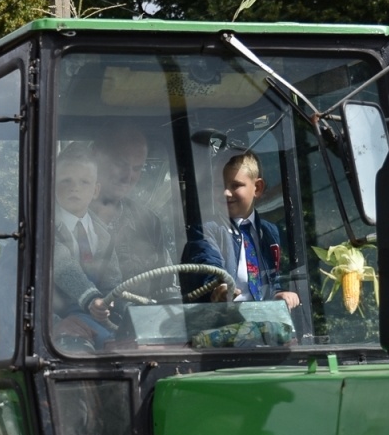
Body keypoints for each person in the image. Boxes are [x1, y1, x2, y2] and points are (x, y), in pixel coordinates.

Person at [186, 152, 299, 309]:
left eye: (235, 185)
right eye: (219, 186)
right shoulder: (206, 230)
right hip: (226, 318)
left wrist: (279, 294)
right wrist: (219, 287)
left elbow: (274, 278)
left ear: (257, 188)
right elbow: (208, 262)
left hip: (265, 319)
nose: (226, 193)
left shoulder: (270, 232)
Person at [90, 124, 176, 285]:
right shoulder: (66, 215)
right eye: (120, 164)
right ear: (95, 156)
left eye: (137, 168)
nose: (128, 177)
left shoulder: (149, 222)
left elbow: (166, 286)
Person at [52, 142, 120, 338]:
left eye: (84, 182)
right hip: (58, 322)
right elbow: (63, 266)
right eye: (66, 181)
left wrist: (113, 298)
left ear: (96, 190)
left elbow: (113, 277)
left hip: (97, 314)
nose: (75, 188)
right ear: (53, 185)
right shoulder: (47, 228)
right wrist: (91, 298)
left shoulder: (104, 234)